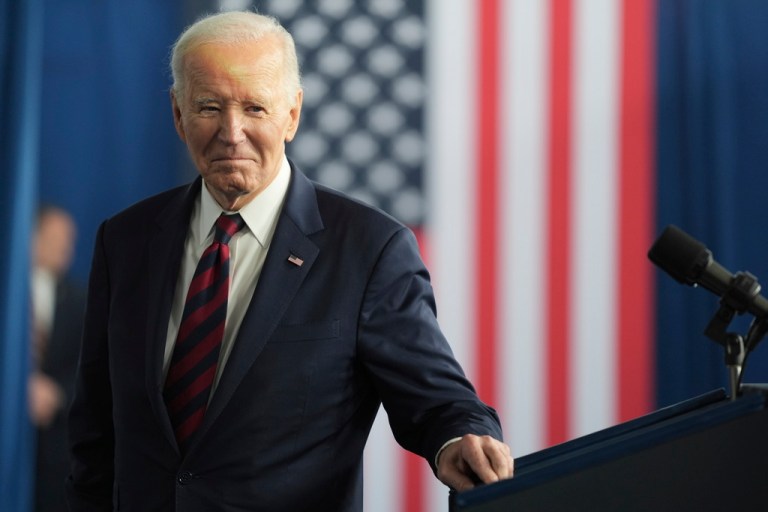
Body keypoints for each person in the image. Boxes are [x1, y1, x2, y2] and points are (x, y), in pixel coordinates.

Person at [65, 10, 513, 512]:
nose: (231, 133)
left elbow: (438, 402)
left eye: (255, 108)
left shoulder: (369, 248)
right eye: (209, 106)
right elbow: (95, 429)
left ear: (292, 114)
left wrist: (461, 438)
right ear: (177, 113)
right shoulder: (124, 240)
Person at [29, 205, 86, 512]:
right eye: (57, 236)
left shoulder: (80, 298)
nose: (67, 246)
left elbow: (89, 364)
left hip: (56, 445)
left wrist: (56, 393)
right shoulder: (9, 291)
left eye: (70, 238)